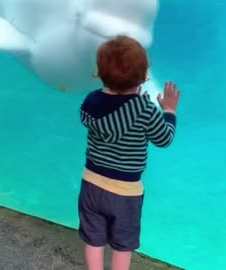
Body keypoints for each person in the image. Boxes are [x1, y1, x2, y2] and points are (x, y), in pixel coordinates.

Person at [77, 35, 181, 270]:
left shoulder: (90, 102)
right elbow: (164, 139)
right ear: (145, 76)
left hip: (91, 184)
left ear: (99, 73)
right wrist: (170, 111)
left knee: (94, 240)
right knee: (122, 245)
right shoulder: (145, 110)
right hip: (125, 192)